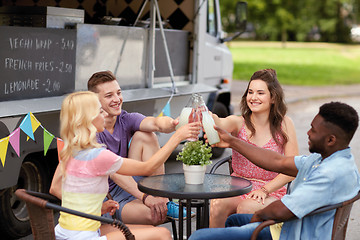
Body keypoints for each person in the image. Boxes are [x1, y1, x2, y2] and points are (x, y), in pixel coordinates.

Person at [189, 101, 360, 240]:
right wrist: (233, 142)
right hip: (293, 225)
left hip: (292, 233)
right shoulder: (328, 159)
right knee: (234, 220)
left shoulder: (329, 174)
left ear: (331, 139)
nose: (307, 133)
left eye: (313, 130)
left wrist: (258, 216)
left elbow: (282, 210)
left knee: (199, 237)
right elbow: (279, 161)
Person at [54, 91, 200, 240]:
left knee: (148, 230)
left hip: (65, 232)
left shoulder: (70, 151)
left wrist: (97, 209)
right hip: (84, 236)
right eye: (100, 111)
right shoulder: (98, 155)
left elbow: (56, 189)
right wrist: (177, 137)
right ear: (88, 120)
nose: (104, 115)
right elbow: (148, 167)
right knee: (162, 234)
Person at [210, 69, 298, 228]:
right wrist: (208, 115)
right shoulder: (238, 123)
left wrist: (265, 190)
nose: (253, 97)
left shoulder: (284, 124)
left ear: (273, 98)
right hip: (238, 187)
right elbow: (219, 123)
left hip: (271, 191)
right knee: (217, 205)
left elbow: (292, 169)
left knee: (246, 208)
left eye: (260, 93)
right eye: (250, 92)